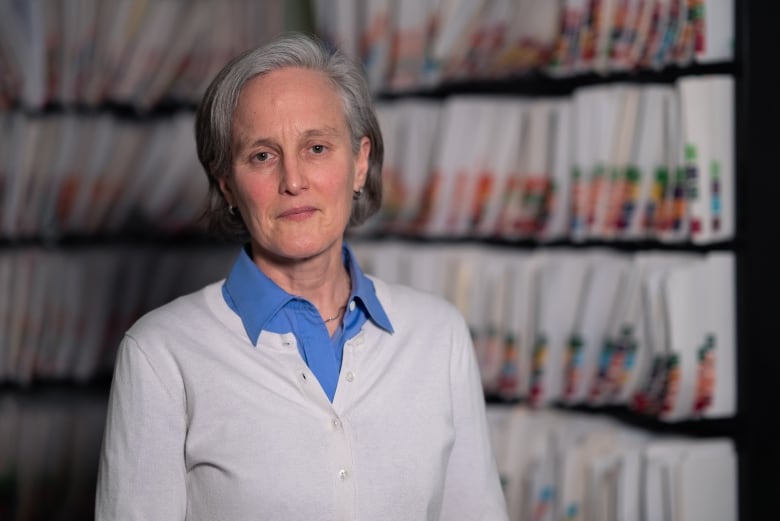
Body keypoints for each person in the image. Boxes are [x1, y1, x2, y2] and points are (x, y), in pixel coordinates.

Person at [95, 31, 509, 521]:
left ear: (360, 163)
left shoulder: (438, 336)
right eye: (262, 156)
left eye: (316, 147)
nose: (293, 181)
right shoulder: (161, 355)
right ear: (227, 184)